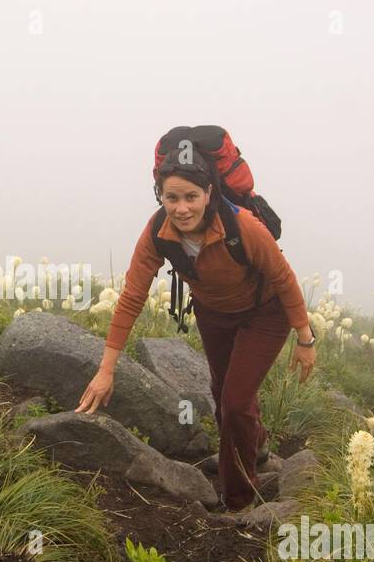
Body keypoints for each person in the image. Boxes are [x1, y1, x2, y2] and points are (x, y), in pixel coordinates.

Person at [75, 156, 316, 512]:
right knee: (221, 390)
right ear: (160, 196)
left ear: (208, 192)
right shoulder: (158, 232)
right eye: (171, 198)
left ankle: (238, 500)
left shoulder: (243, 227)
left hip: (266, 315)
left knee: (234, 401)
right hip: (214, 313)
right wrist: (106, 369)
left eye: (190, 196)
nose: (182, 208)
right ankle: (256, 445)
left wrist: (305, 338)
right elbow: (132, 297)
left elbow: (283, 278)